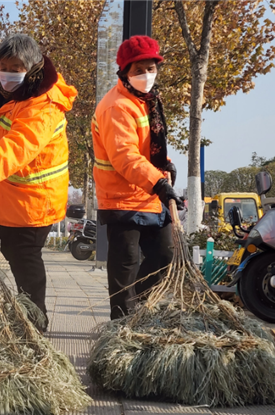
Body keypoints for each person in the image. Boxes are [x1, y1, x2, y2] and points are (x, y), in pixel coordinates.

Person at [0, 34, 78, 332]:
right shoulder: (14, 96)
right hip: (16, 199)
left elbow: (20, 144)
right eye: (2, 65)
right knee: (14, 253)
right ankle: (27, 311)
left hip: (35, 200)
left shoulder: (44, 105)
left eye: (15, 66)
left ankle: (35, 319)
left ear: (33, 66)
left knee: (25, 257)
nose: (7, 72)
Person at [91, 35, 183, 320]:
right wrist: (159, 183)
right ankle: (121, 321)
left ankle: (137, 308)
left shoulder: (147, 101)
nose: (146, 75)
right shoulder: (116, 106)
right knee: (125, 263)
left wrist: (165, 163)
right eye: (139, 70)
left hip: (149, 195)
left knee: (164, 258)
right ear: (125, 73)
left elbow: (147, 145)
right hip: (121, 198)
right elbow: (125, 156)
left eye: (151, 68)